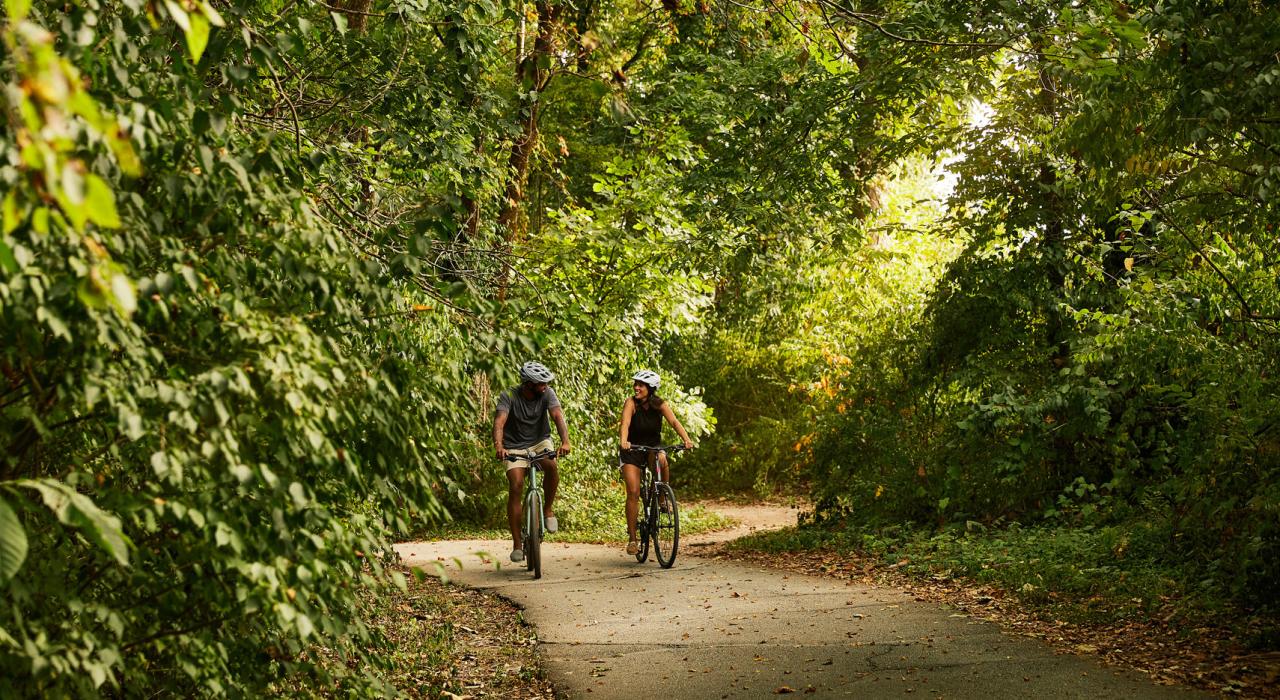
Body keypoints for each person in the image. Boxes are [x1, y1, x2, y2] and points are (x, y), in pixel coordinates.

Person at [494, 361, 572, 562]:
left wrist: (565, 441)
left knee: (552, 466)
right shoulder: (509, 395)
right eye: (540, 383)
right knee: (516, 484)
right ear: (528, 384)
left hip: (539, 441)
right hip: (513, 445)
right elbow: (500, 422)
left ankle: (547, 510)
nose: (545, 386)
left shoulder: (547, 393)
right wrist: (499, 446)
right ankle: (517, 543)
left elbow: (557, 416)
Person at [618, 369, 693, 555]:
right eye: (635, 384)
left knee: (662, 458)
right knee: (634, 492)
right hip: (632, 450)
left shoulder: (659, 404)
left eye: (641, 385)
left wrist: (686, 439)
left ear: (651, 388)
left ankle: (661, 498)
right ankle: (633, 539)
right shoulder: (631, 403)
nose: (636, 387)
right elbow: (625, 423)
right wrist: (624, 441)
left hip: (652, 447)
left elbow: (674, 422)